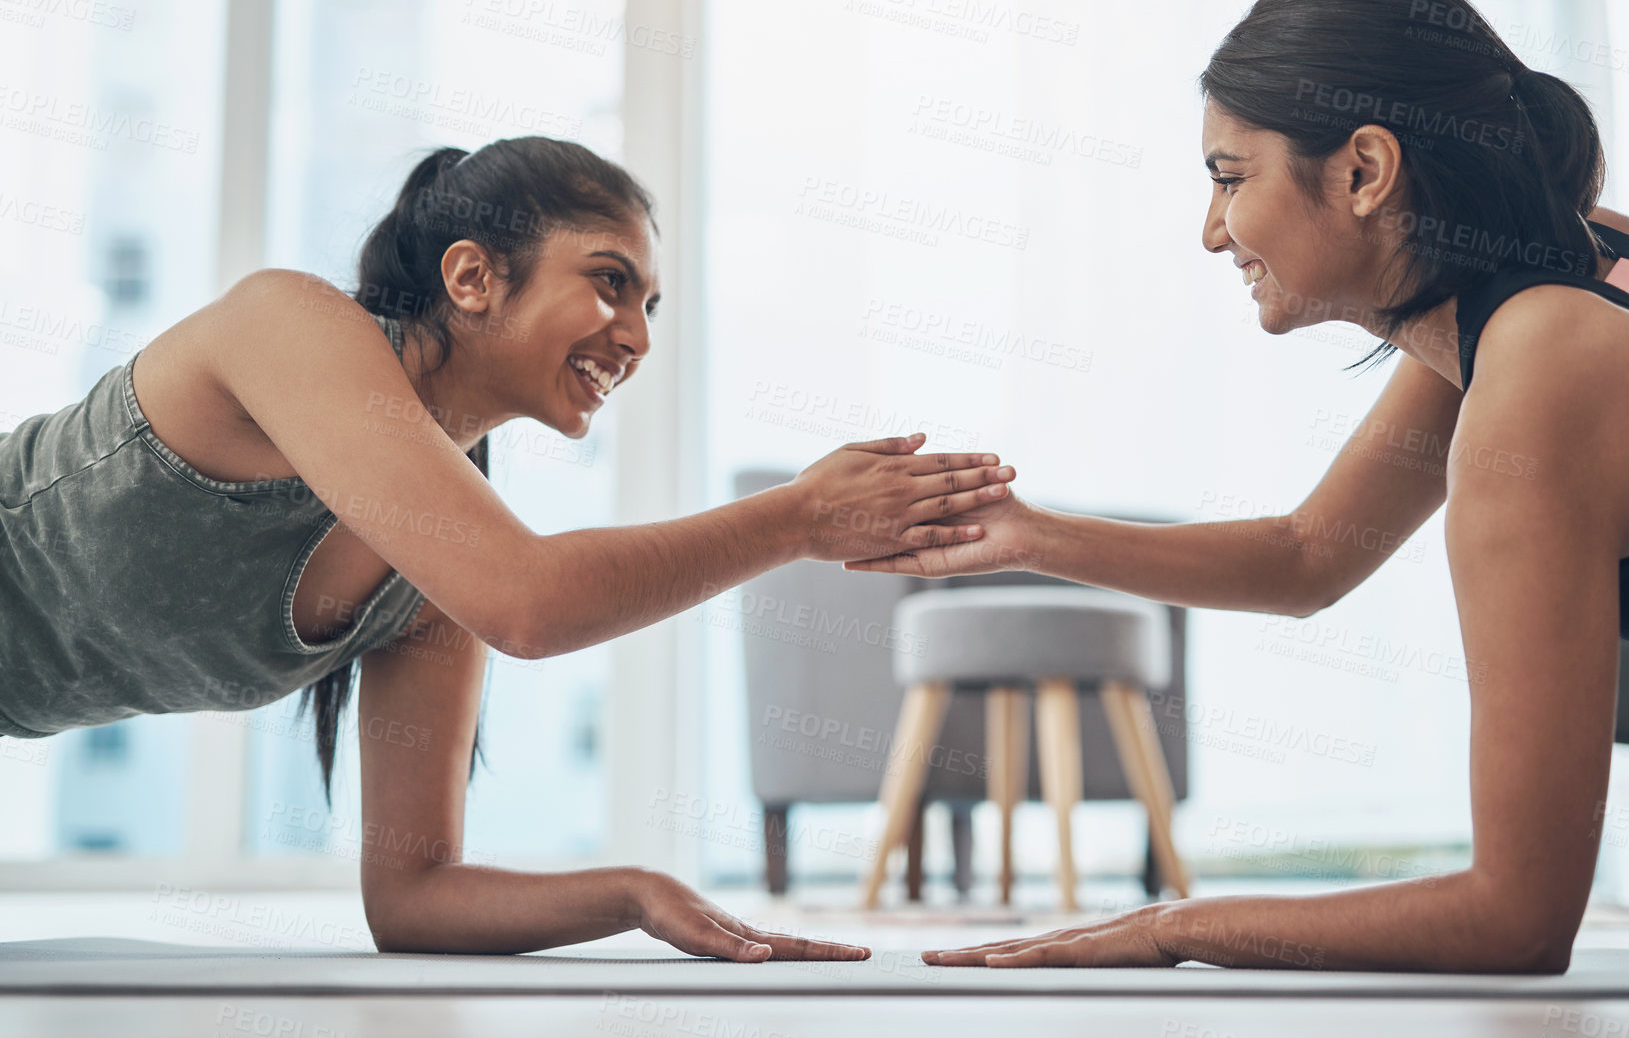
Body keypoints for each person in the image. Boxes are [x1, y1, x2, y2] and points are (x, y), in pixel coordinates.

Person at [853, 0, 1629, 974]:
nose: (1212, 233)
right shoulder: (1565, 267)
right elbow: (1308, 557)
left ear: (1363, 171)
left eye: (1228, 177)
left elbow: (1515, 918)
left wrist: (1174, 923)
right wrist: (1031, 536)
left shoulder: (1543, 373)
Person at [0, 136, 1017, 959]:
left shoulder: (432, 570)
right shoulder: (285, 323)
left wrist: (631, 890)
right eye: (611, 282)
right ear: (474, 277)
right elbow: (532, 603)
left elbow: (414, 897)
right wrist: (796, 518)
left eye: (650, 305)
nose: (638, 337)